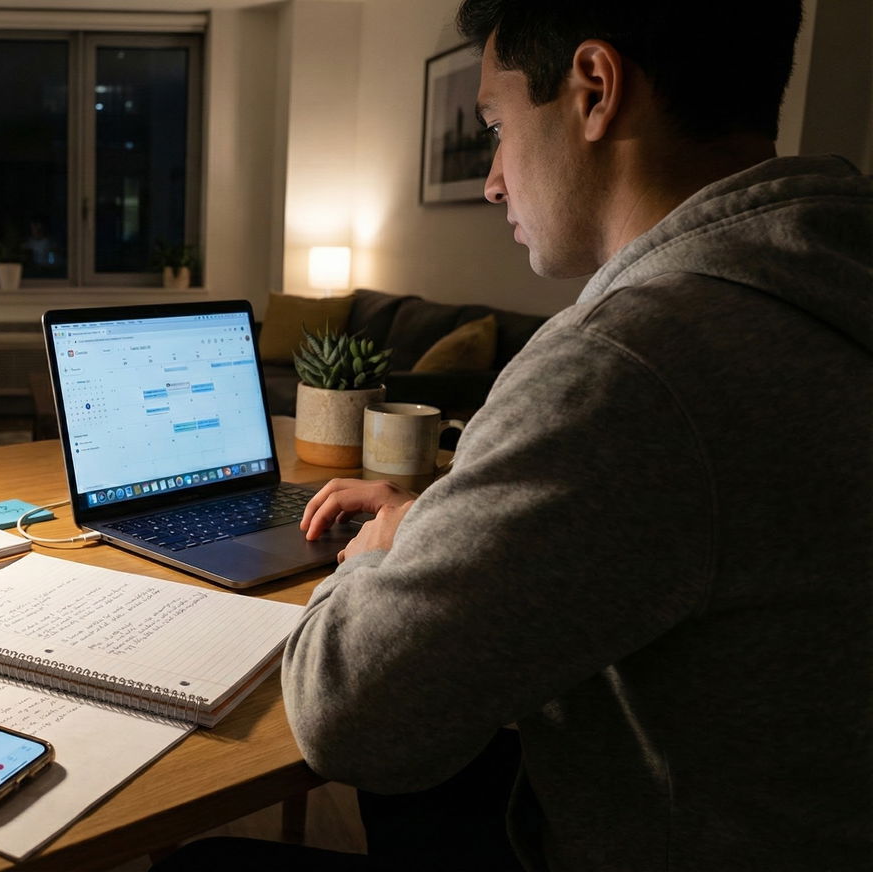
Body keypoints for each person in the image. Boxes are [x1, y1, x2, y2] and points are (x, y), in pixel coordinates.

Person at [155, 1, 870, 869]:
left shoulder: (623, 362)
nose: (494, 179)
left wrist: (382, 551)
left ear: (596, 90)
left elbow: (348, 716)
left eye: (495, 125)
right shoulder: (829, 277)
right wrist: (441, 517)